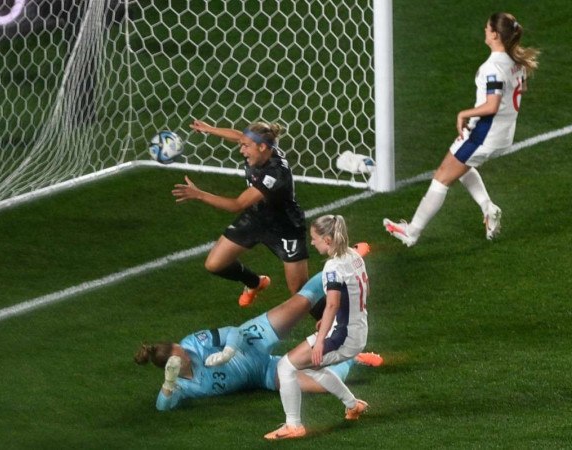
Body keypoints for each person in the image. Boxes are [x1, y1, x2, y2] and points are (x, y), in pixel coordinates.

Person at [134, 258, 382, 411]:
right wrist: (167, 384)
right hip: (262, 374)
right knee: (322, 386)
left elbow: (232, 332)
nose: (183, 350)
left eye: (179, 347)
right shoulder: (183, 387)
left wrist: (227, 352)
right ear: (174, 367)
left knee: (302, 301)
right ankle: (350, 357)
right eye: (180, 354)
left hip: (251, 338)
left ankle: (344, 262)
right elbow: (162, 407)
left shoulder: (192, 344)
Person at [384, 12, 540, 247]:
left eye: (488, 28)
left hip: (484, 135)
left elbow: (492, 105)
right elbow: (521, 88)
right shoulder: (515, 62)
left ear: (495, 35)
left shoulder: (493, 67)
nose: (484, 30)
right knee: (463, 166)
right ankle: (489, 209)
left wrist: (464, 114)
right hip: (502, 134)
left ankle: (412, 232)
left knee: (441, 178)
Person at [172, 120, 309, 307]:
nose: (241, 150)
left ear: (262, 147)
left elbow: (237, 204)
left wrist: (199, 195)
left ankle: (332, 316)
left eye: (245, 146)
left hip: (285, 227)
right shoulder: (258, 150)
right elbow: (238, 136)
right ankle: (255, 283)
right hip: (256, 217)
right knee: (214, 264)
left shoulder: (276, 173)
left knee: (300, 293)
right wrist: (210, 129)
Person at [265, 215, 369, 440]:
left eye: (315, 239)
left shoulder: (333, 266)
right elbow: (352, 294)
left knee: (285, 367)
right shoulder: (354, 255)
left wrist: (321, 340)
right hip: (355, 327)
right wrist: (332, 321)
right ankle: (353, 405)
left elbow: (332, 303)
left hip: (343, 336)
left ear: (328, 240)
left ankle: (294, 426)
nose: (312, 243)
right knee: (311, 367)